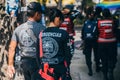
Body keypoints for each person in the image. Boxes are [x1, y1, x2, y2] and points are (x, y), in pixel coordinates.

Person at [7, 2, 45, 80]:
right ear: (37, 14)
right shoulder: (43, 29)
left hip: (23, 64)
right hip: (37, 63)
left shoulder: (18, 29)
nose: (41, 16)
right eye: (41, 14)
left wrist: (10, 65)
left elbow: (12, 48)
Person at [37, 8, 73, 80]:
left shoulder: (41, 34)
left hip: (45, 73)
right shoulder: (64, 34)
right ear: (57, 18)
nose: (61, 24)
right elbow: (68, 54)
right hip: (60, 71)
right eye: (61, 21)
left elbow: (37, 55)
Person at [97, 8, 118, 80]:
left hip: (101, 43)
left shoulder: (99, 22)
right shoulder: (113, 21)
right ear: (109, 13)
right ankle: (111, 72)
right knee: (112, 58)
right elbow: (116, 31)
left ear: (102, 14)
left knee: (103, 60)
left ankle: (105, 76)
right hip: (112, 43)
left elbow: (97, 32)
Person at [81, 10, 100, 76]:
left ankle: (97, 66)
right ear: (88, 15)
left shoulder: (97, 22)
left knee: (97, 55)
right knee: (87, 56)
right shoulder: (86, 22)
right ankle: (90, 70)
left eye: (92, 14)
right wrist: (83, 40)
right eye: (89, 14)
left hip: (95, 41)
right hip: (87, 42)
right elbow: (83, 32)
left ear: (94, 15)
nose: (90, 15)